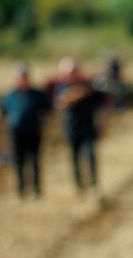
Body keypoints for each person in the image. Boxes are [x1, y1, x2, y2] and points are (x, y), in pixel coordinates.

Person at [50, 57, 109, 192]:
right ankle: (79, 186)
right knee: (74, 159)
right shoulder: (62, 87)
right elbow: (59, 104)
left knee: (90, 157)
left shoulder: (90, 86)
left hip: (88, 128)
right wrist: (75, 95)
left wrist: (105, 124)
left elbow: (103, 104)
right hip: (71, 128)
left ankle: (94, 185)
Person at [1, 62, 52, 198]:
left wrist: (49, 130)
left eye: (24, 76)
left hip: (34, 132)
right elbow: (3, 114)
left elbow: (48, 113)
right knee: (18, 162)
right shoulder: (9, 96)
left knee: (34, 161)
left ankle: (36, 190)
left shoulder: (37, 95)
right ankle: (21, 190)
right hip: (15, 133)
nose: (22, 79)